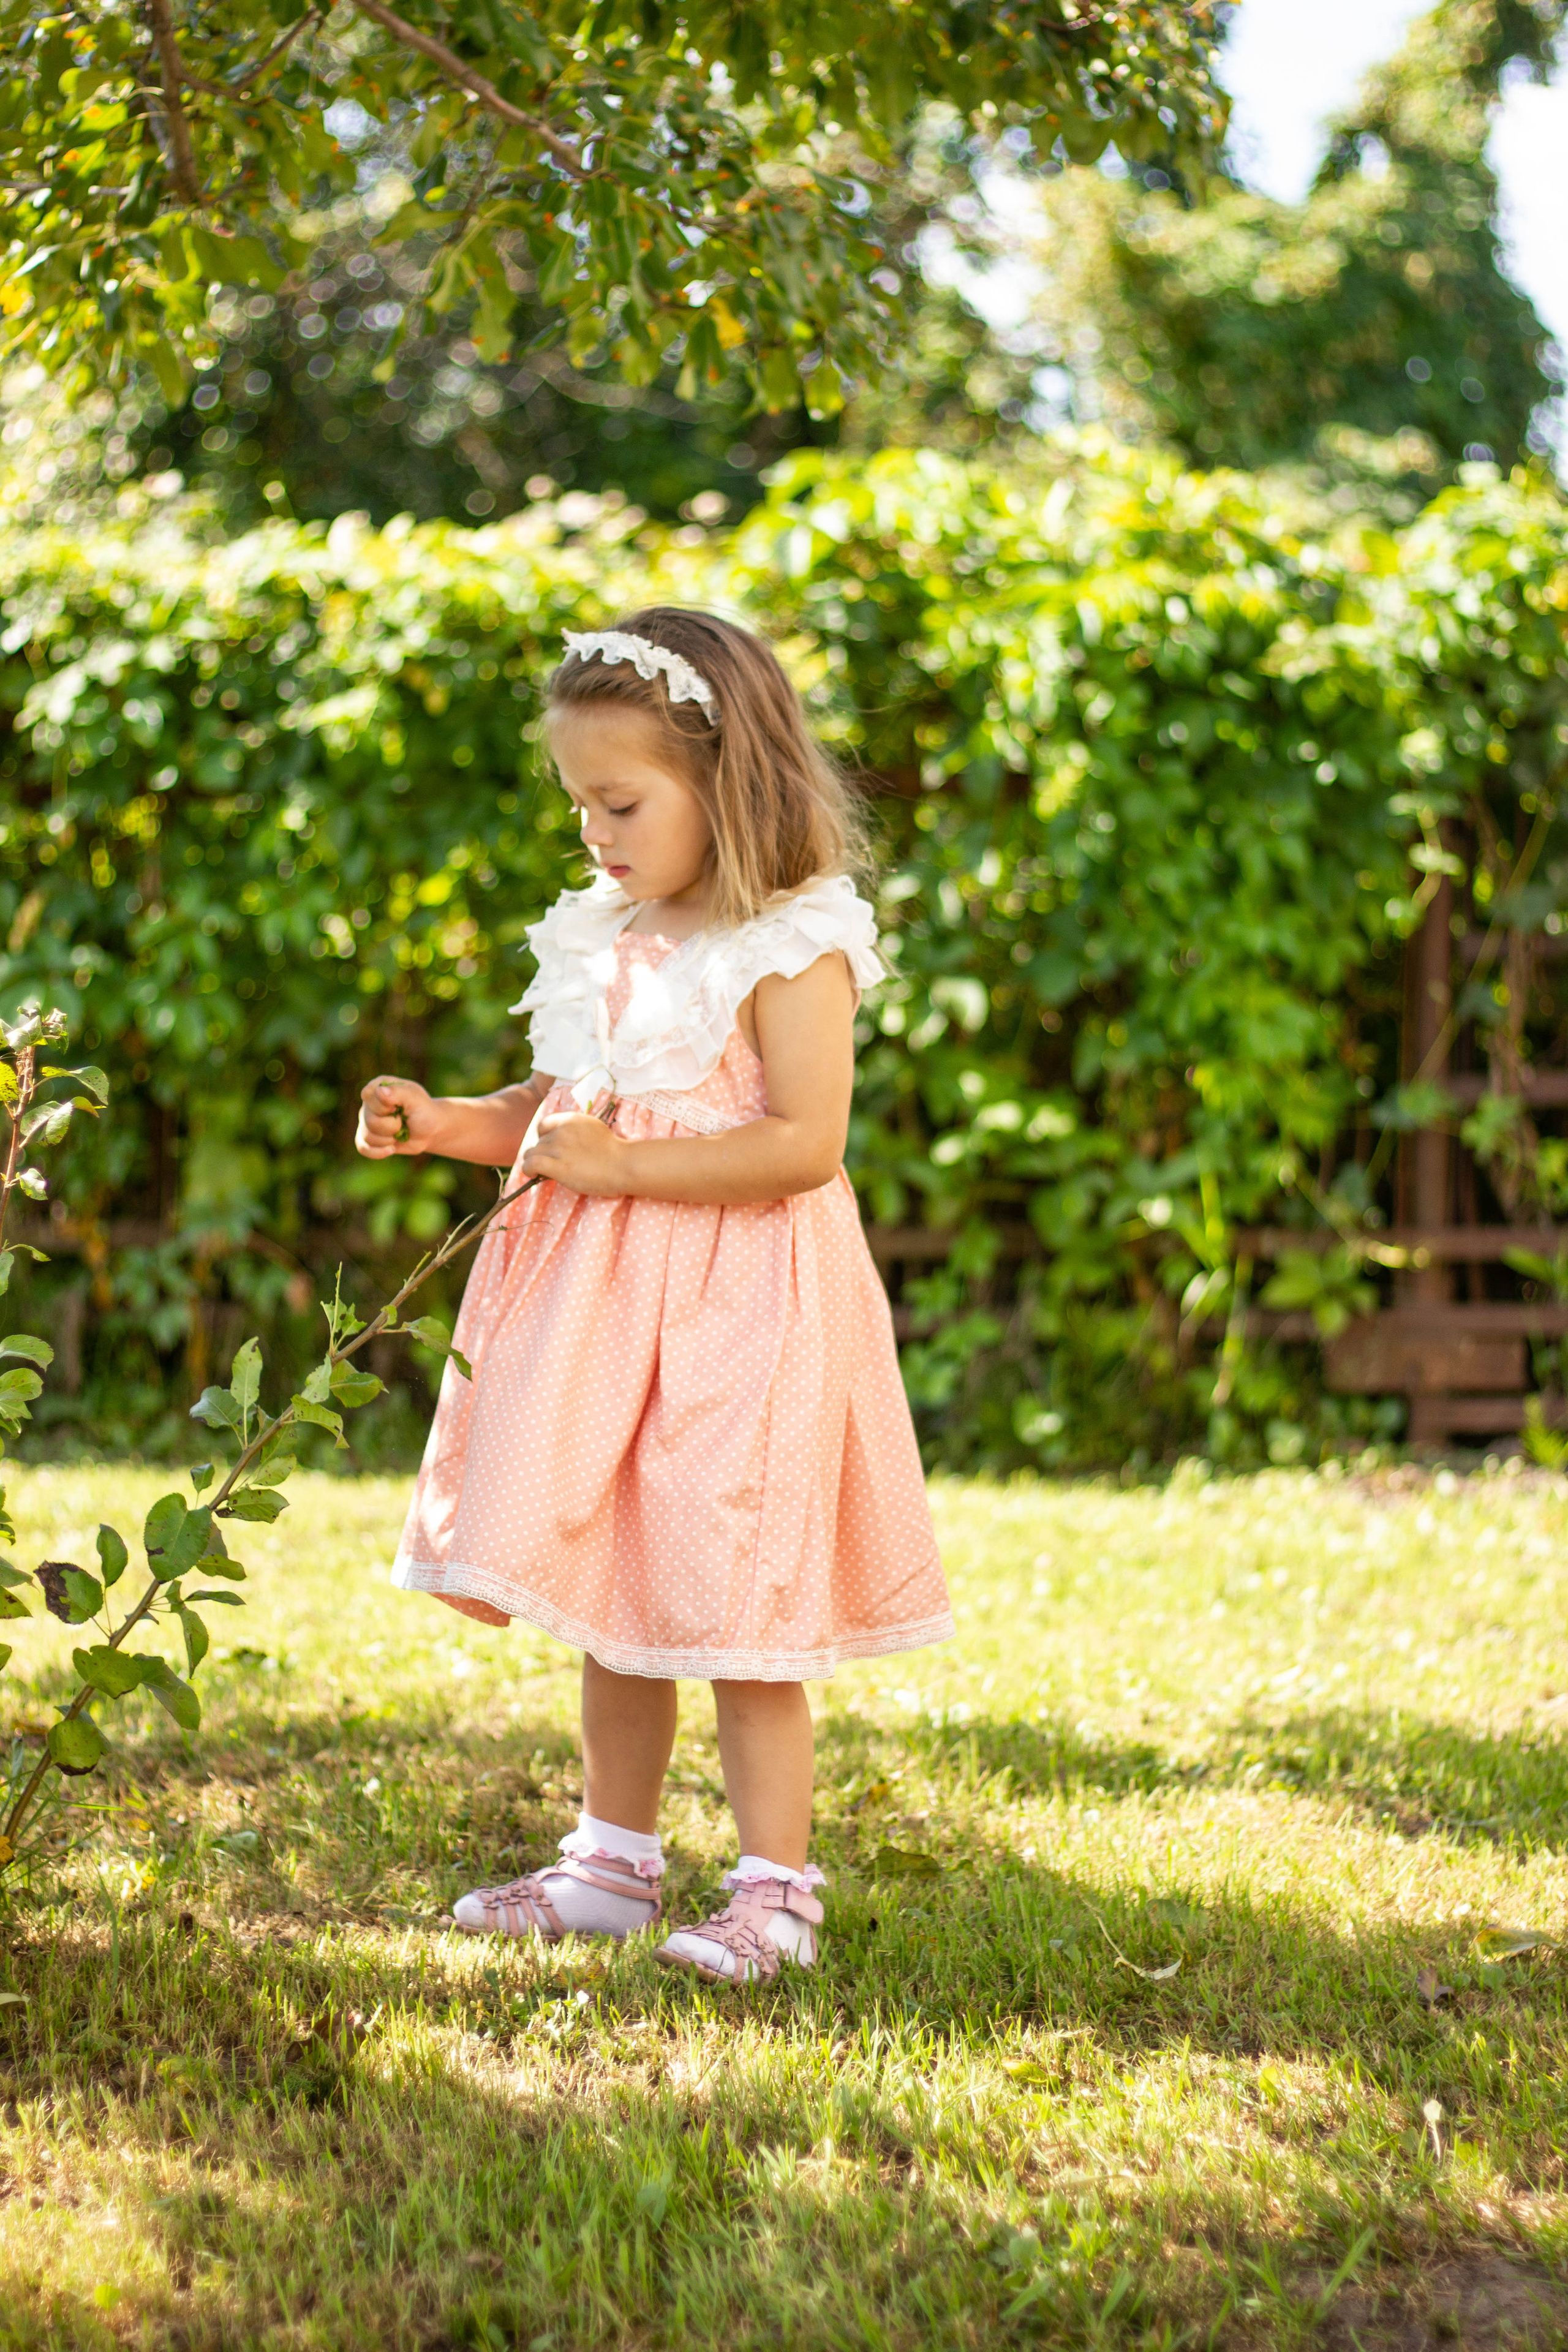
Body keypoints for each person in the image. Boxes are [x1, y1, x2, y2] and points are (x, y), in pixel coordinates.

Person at [355, 609, 952, 1983]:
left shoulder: (791, 943)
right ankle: (609, 1866)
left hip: (744, 1315)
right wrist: (446, 1124)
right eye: (578, 804)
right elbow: (559, 1109)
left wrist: (625, 1167)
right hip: (606, 1325)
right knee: (615, 1585)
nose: (594, 833)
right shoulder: (604, 932)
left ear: (726, 780)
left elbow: (804, 1144)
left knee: (739, 1598)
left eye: (619, 804)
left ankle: (775, 1895)